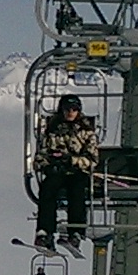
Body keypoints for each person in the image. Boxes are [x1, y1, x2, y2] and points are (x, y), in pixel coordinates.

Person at [32, 94, 97, 251]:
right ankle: (45, 232)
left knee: (77, 191)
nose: (70, 112)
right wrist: (48, 164)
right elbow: (40, 155)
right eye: (67, 109)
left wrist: (72, 160)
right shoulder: (52, 131)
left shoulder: (86, 132)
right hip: (57, 171)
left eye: (74, 109)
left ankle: (76, 232)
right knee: (48, 189)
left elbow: (92, 159)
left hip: (77, 172)